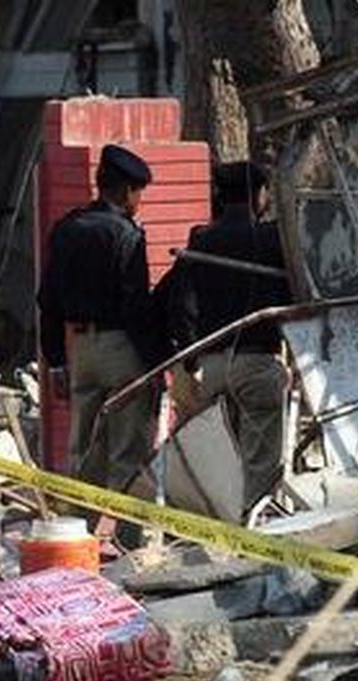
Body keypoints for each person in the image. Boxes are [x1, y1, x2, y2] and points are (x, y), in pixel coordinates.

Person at [168, 161, 293, 517]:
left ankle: (220, 526)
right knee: (260, 463)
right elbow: (293, 296)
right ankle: (251, 528)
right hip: (258, 362)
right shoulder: (272, 239)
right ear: (258, 195)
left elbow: (181, 304)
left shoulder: (201, 240)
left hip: (212, 366)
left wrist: (191, 360)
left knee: (221, 459)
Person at [37, 144, 165, 491]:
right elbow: (135, 306)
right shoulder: (127, 235)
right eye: (138, 193)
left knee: (83, 452)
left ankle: (77, 522)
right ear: (127, 191)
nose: (139, 201)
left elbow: (48, 299)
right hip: (122, 350)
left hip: (81, 352)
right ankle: (128, 526)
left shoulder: (67, 228)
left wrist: (56, 361)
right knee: (128, 455)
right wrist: (156, 362)